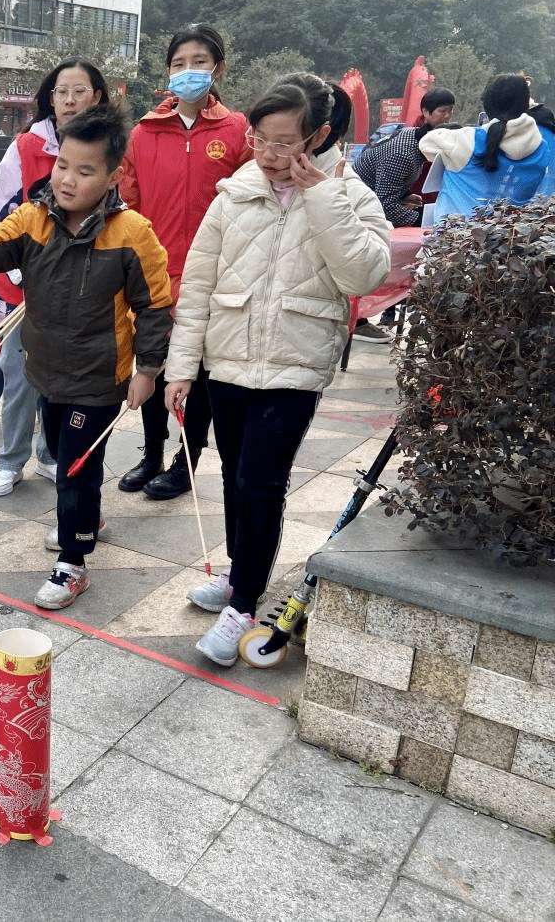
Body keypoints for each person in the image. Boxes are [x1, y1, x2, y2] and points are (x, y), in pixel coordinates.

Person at [0, 103, 174, 610]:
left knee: (75, 470)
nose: (67, 179)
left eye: (85, 171)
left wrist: (148, 369)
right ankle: (87, 518)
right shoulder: (33, 218)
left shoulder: (133, 234)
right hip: (45, 371)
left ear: (113, 176)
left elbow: (154, 307)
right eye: (63, 165)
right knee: (66, 458)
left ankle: (73, 562)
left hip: (98, 379)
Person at [166, 73, 390, 666]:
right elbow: (198, 286)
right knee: (234, 475)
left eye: (284, 142)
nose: (267, 154)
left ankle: (243, 603)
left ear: (318, 136)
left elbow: (365, 275)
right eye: (259, 139)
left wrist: (322, 199)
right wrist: (181, 367)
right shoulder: (235, 192)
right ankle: (240, 570)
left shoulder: (349, 193)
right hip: (227, 360)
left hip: (295, 365)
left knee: (261, 483)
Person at [115, 24, 253, 502]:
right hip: (155, 274)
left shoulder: (237, 132)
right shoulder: (143, 134)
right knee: (153, 365)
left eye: (199, 62)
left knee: (200, 373)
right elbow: (130, 204)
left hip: (214, 276)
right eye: (178, 63)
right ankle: (152, 452)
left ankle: (186, 461)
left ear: (218, 68)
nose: (188, 71)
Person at [0, 59, 107, 496]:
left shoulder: (109, 149)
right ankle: (10, 459)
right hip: (23, 286)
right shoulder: (26, 147)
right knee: (18, 376)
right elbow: (1, 211)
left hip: (79, 290)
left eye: (79, 91)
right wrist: (23, 269)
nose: (69, 100)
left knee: (63, 382)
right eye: (61, 92)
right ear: (50, 98)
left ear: (97, 96)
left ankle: (50, 455)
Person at [352, 86, 456, 341]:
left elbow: (388, 189)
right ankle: (358, 320)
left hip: (371, 200)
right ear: (425, 112)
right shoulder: (404, 153)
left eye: (450, 112)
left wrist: (405, 197)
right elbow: (383, 203)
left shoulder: (418, 143)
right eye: (442, 111)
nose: (446, 117)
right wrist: (421, 221)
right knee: (366, 262)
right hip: (356, 206)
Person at [419, 74, 555, 226]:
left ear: (488, 105)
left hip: (456, 237)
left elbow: (425, 144)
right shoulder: (542, 150)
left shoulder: (467, 140)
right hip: (508, 237)